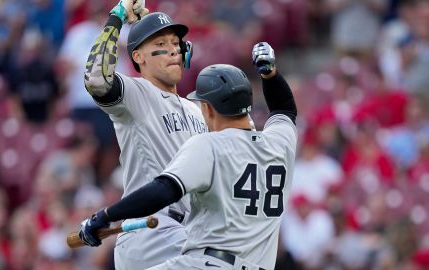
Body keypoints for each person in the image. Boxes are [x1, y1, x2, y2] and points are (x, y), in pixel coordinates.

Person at [79, 42, 298, 270]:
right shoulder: (279, 145)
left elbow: (164, 190)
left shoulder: (210, 145)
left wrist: (106, 215)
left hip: (207, 264)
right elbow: (285, 109)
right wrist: (270, 74)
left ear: (208, 109)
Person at [82, 1, 207, 269]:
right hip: (152, 229)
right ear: (138, 57)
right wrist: (117, 18)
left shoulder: (196, 110)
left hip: (188, 231)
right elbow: (96, 79)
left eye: (176, 42)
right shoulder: (137, 94)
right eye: (161, 43)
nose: (174, 49)